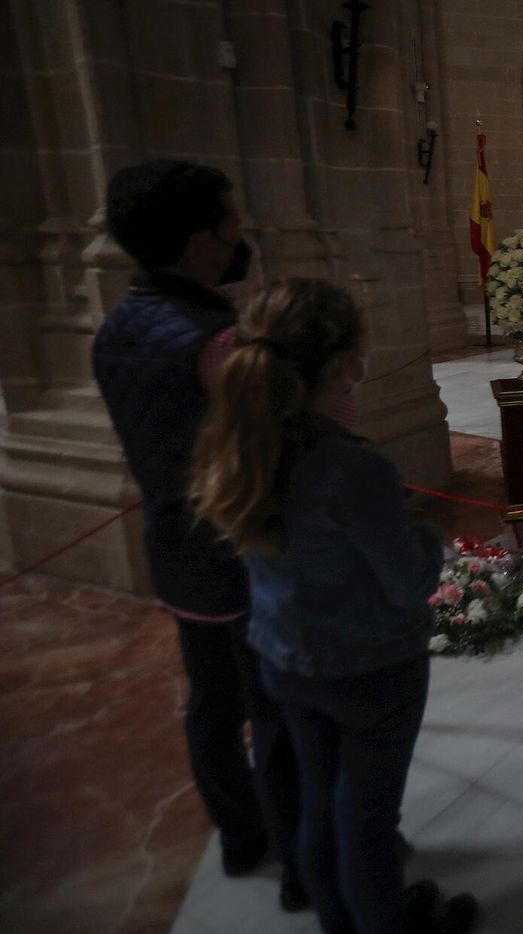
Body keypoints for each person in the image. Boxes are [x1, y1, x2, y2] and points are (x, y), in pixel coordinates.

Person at [189, 278, 474, 934]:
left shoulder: (242, 441)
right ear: (347, 363)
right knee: (367, 819)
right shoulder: (350, 467)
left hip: (285, 657)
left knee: (319, 801)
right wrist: (426, 539)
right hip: (369, 666)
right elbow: (407, 582)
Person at [90, 161, 303, 906]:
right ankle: (301, 858)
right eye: (230, 222)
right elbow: (269, 453)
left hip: (176, 546)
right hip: (241, 552)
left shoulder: (114, 330)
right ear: (198, 242)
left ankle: (241, 835)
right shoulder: (216, 344)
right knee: (275, 705)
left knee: (212, 700)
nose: (240, 233)